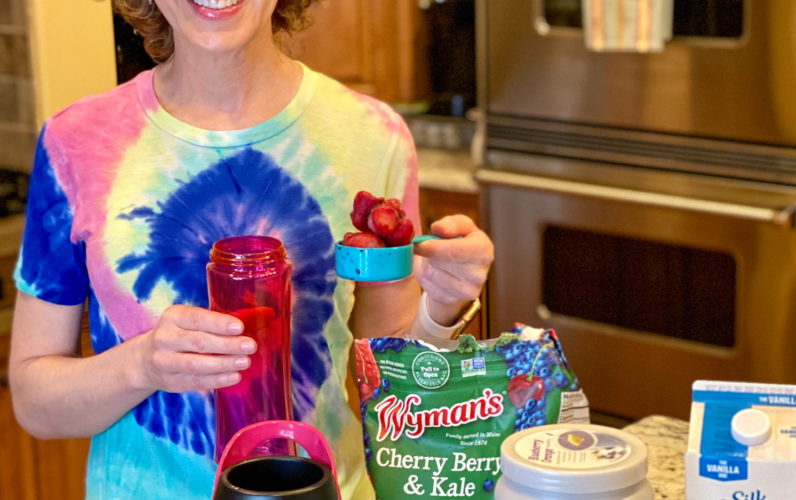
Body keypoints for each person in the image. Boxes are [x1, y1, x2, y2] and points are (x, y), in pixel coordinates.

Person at [7, 0, 494, 499]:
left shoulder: (374, 137)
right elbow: (34, 403)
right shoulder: (75, 144)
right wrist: (143, 364)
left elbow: (392, 377)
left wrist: (441, 302)